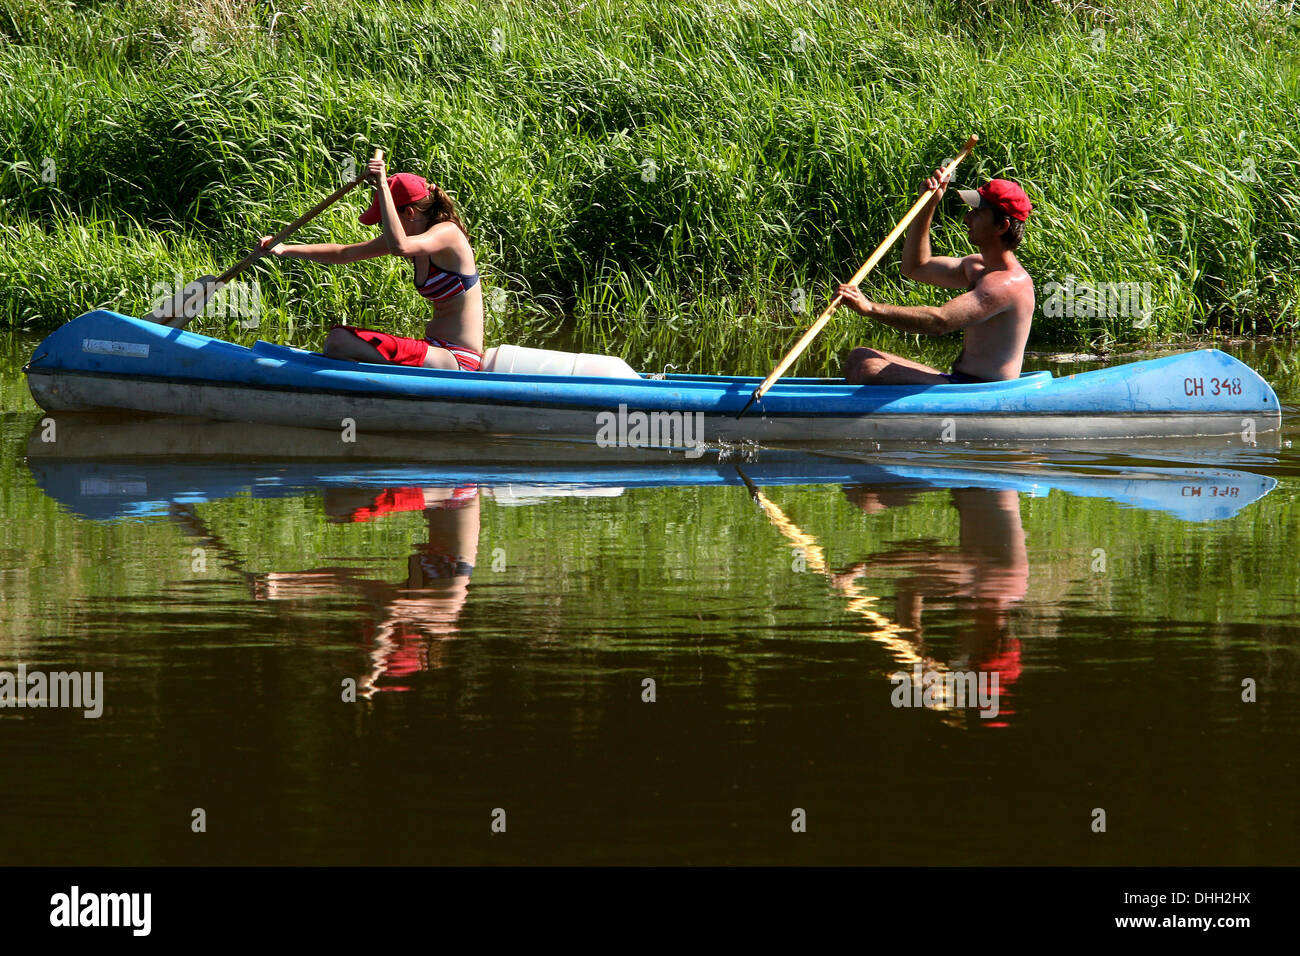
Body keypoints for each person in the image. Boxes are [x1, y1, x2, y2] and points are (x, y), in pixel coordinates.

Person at [258, 156, 484, 370]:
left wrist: (383, 187)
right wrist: (283, 249)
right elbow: (343, 253)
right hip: (434, 350)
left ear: (410, 213)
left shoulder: (448, 233)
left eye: (385, 220)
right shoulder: (413, 240)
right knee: (340, 339)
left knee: (338, 340)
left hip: (457, 358)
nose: (383, 228)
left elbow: (400, 247)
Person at [838, 171, 1034, 385]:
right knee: (859, 357)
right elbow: (916, 267)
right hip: (959, 380)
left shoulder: (1007, 284)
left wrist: (870, 308)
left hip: (982, 391)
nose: (967, 218)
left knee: (868, 368)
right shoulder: (976, 266)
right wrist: (927, 205)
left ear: (1001, 226)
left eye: (977, 213)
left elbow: (940, 321)